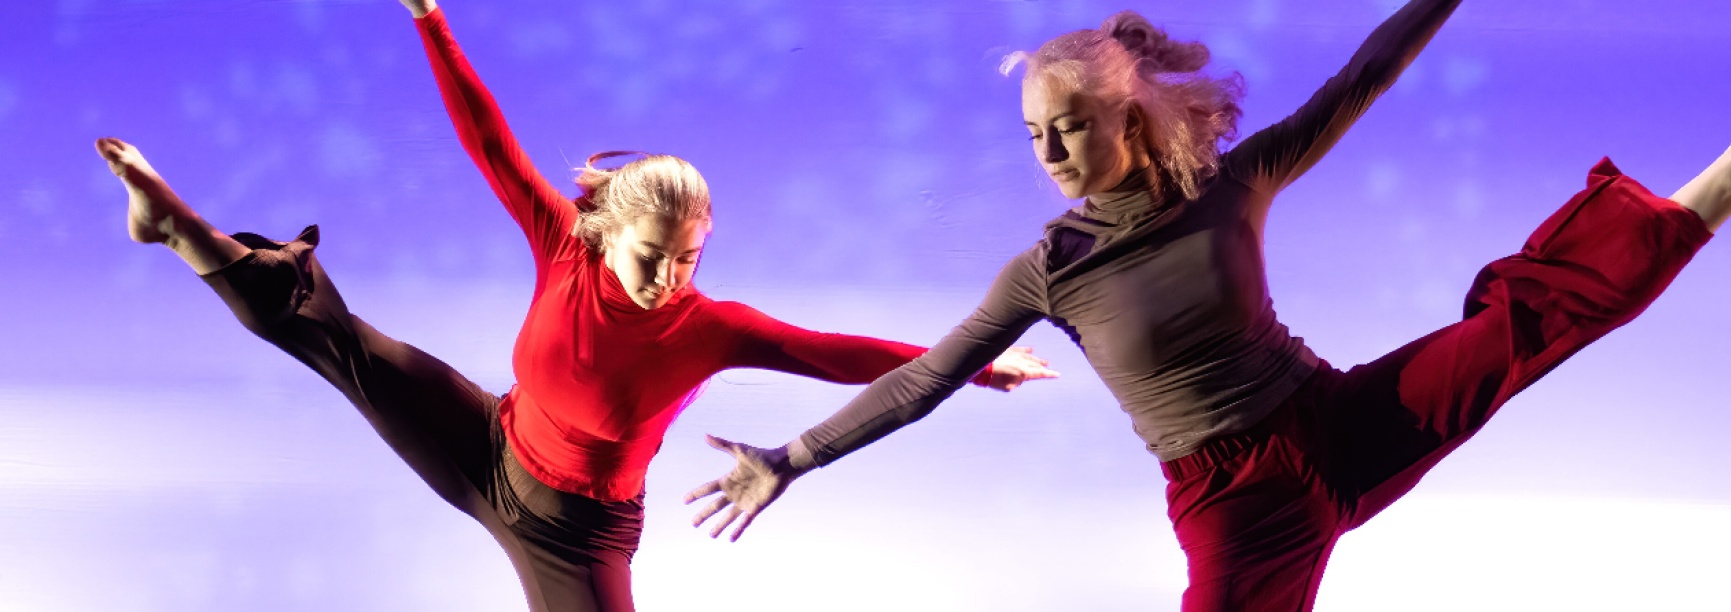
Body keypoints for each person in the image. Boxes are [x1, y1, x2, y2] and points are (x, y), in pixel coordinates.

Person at [685, 0, 1731, 609]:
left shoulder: (1236, 182)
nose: (1050, 152)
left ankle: (1726, 184)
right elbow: (925, 377)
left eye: (1068, 126)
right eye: (1033, 136)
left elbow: (1361, 75)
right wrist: (792, 455)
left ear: (1130, 117)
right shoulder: (1047, 270)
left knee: (1516, 331)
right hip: (1233, 503)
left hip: (1339, 421)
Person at [94, 0, 1059, 609]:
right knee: (327, 333)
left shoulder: (707, 327)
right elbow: (489, 141)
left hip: (574, 535)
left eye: (690, 259)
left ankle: (183, 237)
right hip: (486, 439)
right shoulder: (562, 238)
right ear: (607, 231)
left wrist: (978, 363)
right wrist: (430, 17)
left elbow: (834, 350)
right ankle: (182, 231)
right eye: (654, 255)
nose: (671, 277)